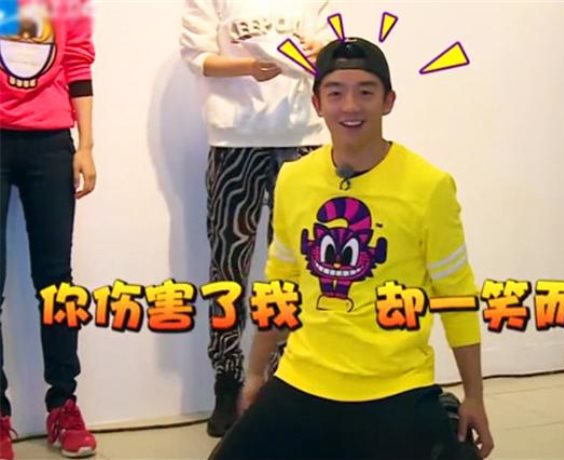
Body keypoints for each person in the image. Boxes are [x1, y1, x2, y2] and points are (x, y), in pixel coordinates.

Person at [208, 37, 495, 460]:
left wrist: (475, 396)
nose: (350, 106)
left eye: (365, 92)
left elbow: (456, 295)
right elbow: (282, 286)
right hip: (302, 379)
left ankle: (442, 411)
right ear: (317, 103)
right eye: (335, 93)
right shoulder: (294, 179)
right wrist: (254, 373)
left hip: (395, 386)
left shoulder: (429, 186)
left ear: (388, 101)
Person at [179, 0, 333, 437]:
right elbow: (198, 57)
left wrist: (320, 50)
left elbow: (331, 48)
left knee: (298, 267)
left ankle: (285, 378)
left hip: (302, 135)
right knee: (228, 265)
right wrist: (250, 66)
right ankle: (227, 379)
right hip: (234, 139)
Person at [0, 0, 98, 458]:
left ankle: (63, 404)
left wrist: (86, 146)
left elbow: (78, 63)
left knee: (57, 282)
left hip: (51, 141)